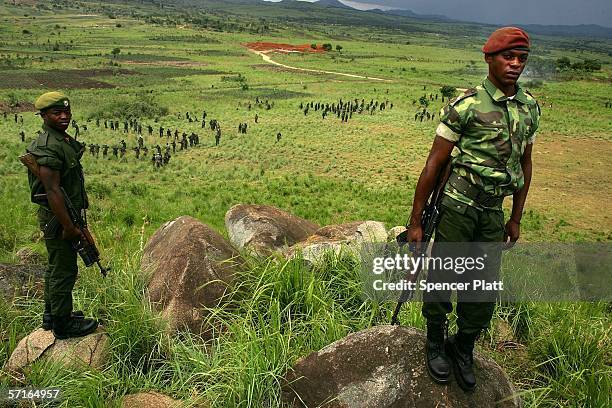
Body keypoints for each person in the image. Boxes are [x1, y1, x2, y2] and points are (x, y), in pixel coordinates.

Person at [406, 27, 539, 391]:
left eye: (521, 58)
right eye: (507, 57)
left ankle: (462, 346)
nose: (515, 64)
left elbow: (525, 164)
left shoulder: (529, 108)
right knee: (444, 277)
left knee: (482, 287)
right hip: (458, 207)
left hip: (493, 212)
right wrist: (415, 222)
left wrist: (515, 216)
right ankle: (435, 340)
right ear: (489, 58)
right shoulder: (466, 105)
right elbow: (434, 163)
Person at [25, 91, 99, 339]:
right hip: (59, 219)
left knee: (56, 266)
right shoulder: (49, 147)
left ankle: (52, 314)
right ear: (44, 116)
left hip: (62, 215)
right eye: (57, 113)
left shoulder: (62, 141)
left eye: (66, 112)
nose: (64, 116)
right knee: (64, 270)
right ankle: (63, 324)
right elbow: (52, 189)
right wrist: (70, 227)